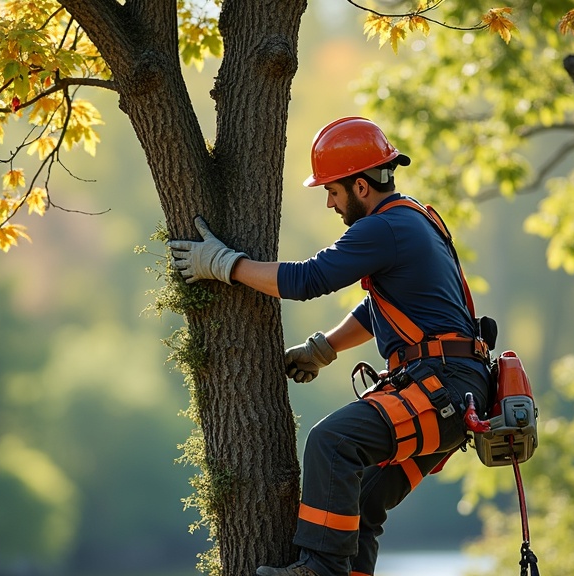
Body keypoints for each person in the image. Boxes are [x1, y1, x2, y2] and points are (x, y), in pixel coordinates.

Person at [168, 117, 492, 576]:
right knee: (358, 504)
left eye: (333, 191)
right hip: (455, 394)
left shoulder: (384, 228)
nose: (329, 202)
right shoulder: (413, 219)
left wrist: (225, 264)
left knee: (332, 442)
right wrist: (324, 349)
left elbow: (306, 279)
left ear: (361, 186)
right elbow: (378, 309)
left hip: (443, 388)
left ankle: (319, 571)